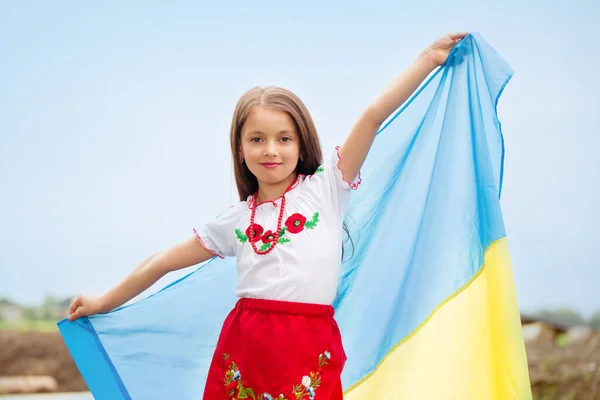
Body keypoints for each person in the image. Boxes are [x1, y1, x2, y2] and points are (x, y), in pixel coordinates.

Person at [67, 32, 467, 399]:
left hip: (310, 346)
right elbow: (162, 262)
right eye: (257, 139)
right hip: (246, 346)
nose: (270, 150)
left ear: (300, 143)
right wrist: (104, 300)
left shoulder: (326, 188)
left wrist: (427, 60)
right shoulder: (236, 219)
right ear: (240, 150)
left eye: (284, 138)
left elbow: (372, 116)